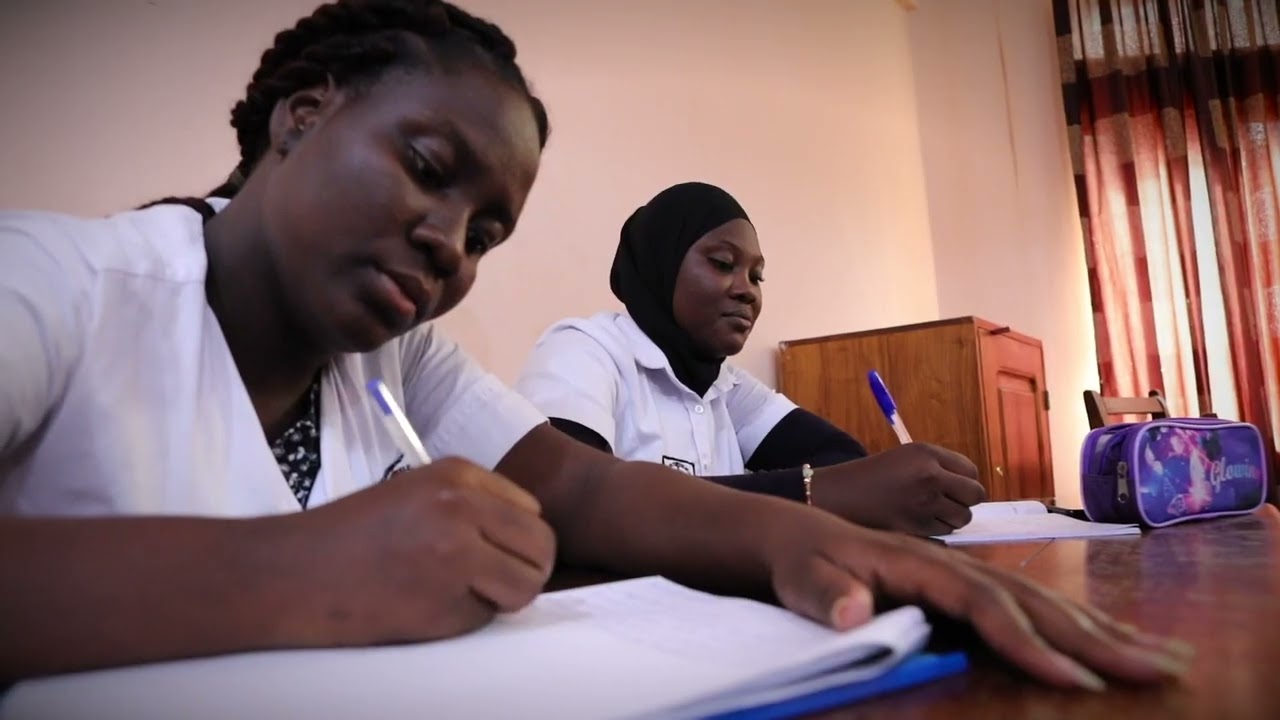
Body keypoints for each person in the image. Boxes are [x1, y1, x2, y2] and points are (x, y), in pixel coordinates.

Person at [0, 0, 1189, 692]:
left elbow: (579, 491)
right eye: (427, 171)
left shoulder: (395, 360)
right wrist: (299, 571)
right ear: (299, 116)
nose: (447, 246)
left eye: (486, 232)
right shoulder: (56, 282)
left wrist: (807, 539)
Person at [517, 182, 986, 536]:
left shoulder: (726, 386)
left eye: (757, 276)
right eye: (722, 264)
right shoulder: (585, 349)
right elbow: (568, 499)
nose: (747, 290)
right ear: (661, 264)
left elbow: (841, 460)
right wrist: (808, 493)